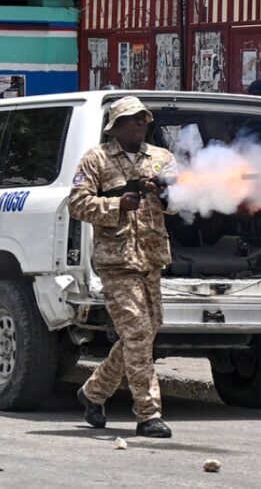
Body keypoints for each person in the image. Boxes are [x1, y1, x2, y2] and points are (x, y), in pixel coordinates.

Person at [68, 96, 177, 439]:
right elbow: (77, 203)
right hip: (117, 261)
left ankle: (94, 392)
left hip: (151, 257)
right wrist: (118, 204)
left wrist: (164, 195)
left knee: (146, 330)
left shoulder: (161, 159)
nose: (139, 124)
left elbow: (178, 203)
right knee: (137, 333)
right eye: (131, 119)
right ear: (114, 127)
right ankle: (148, 413)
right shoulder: (96, 159)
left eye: (143, 119)